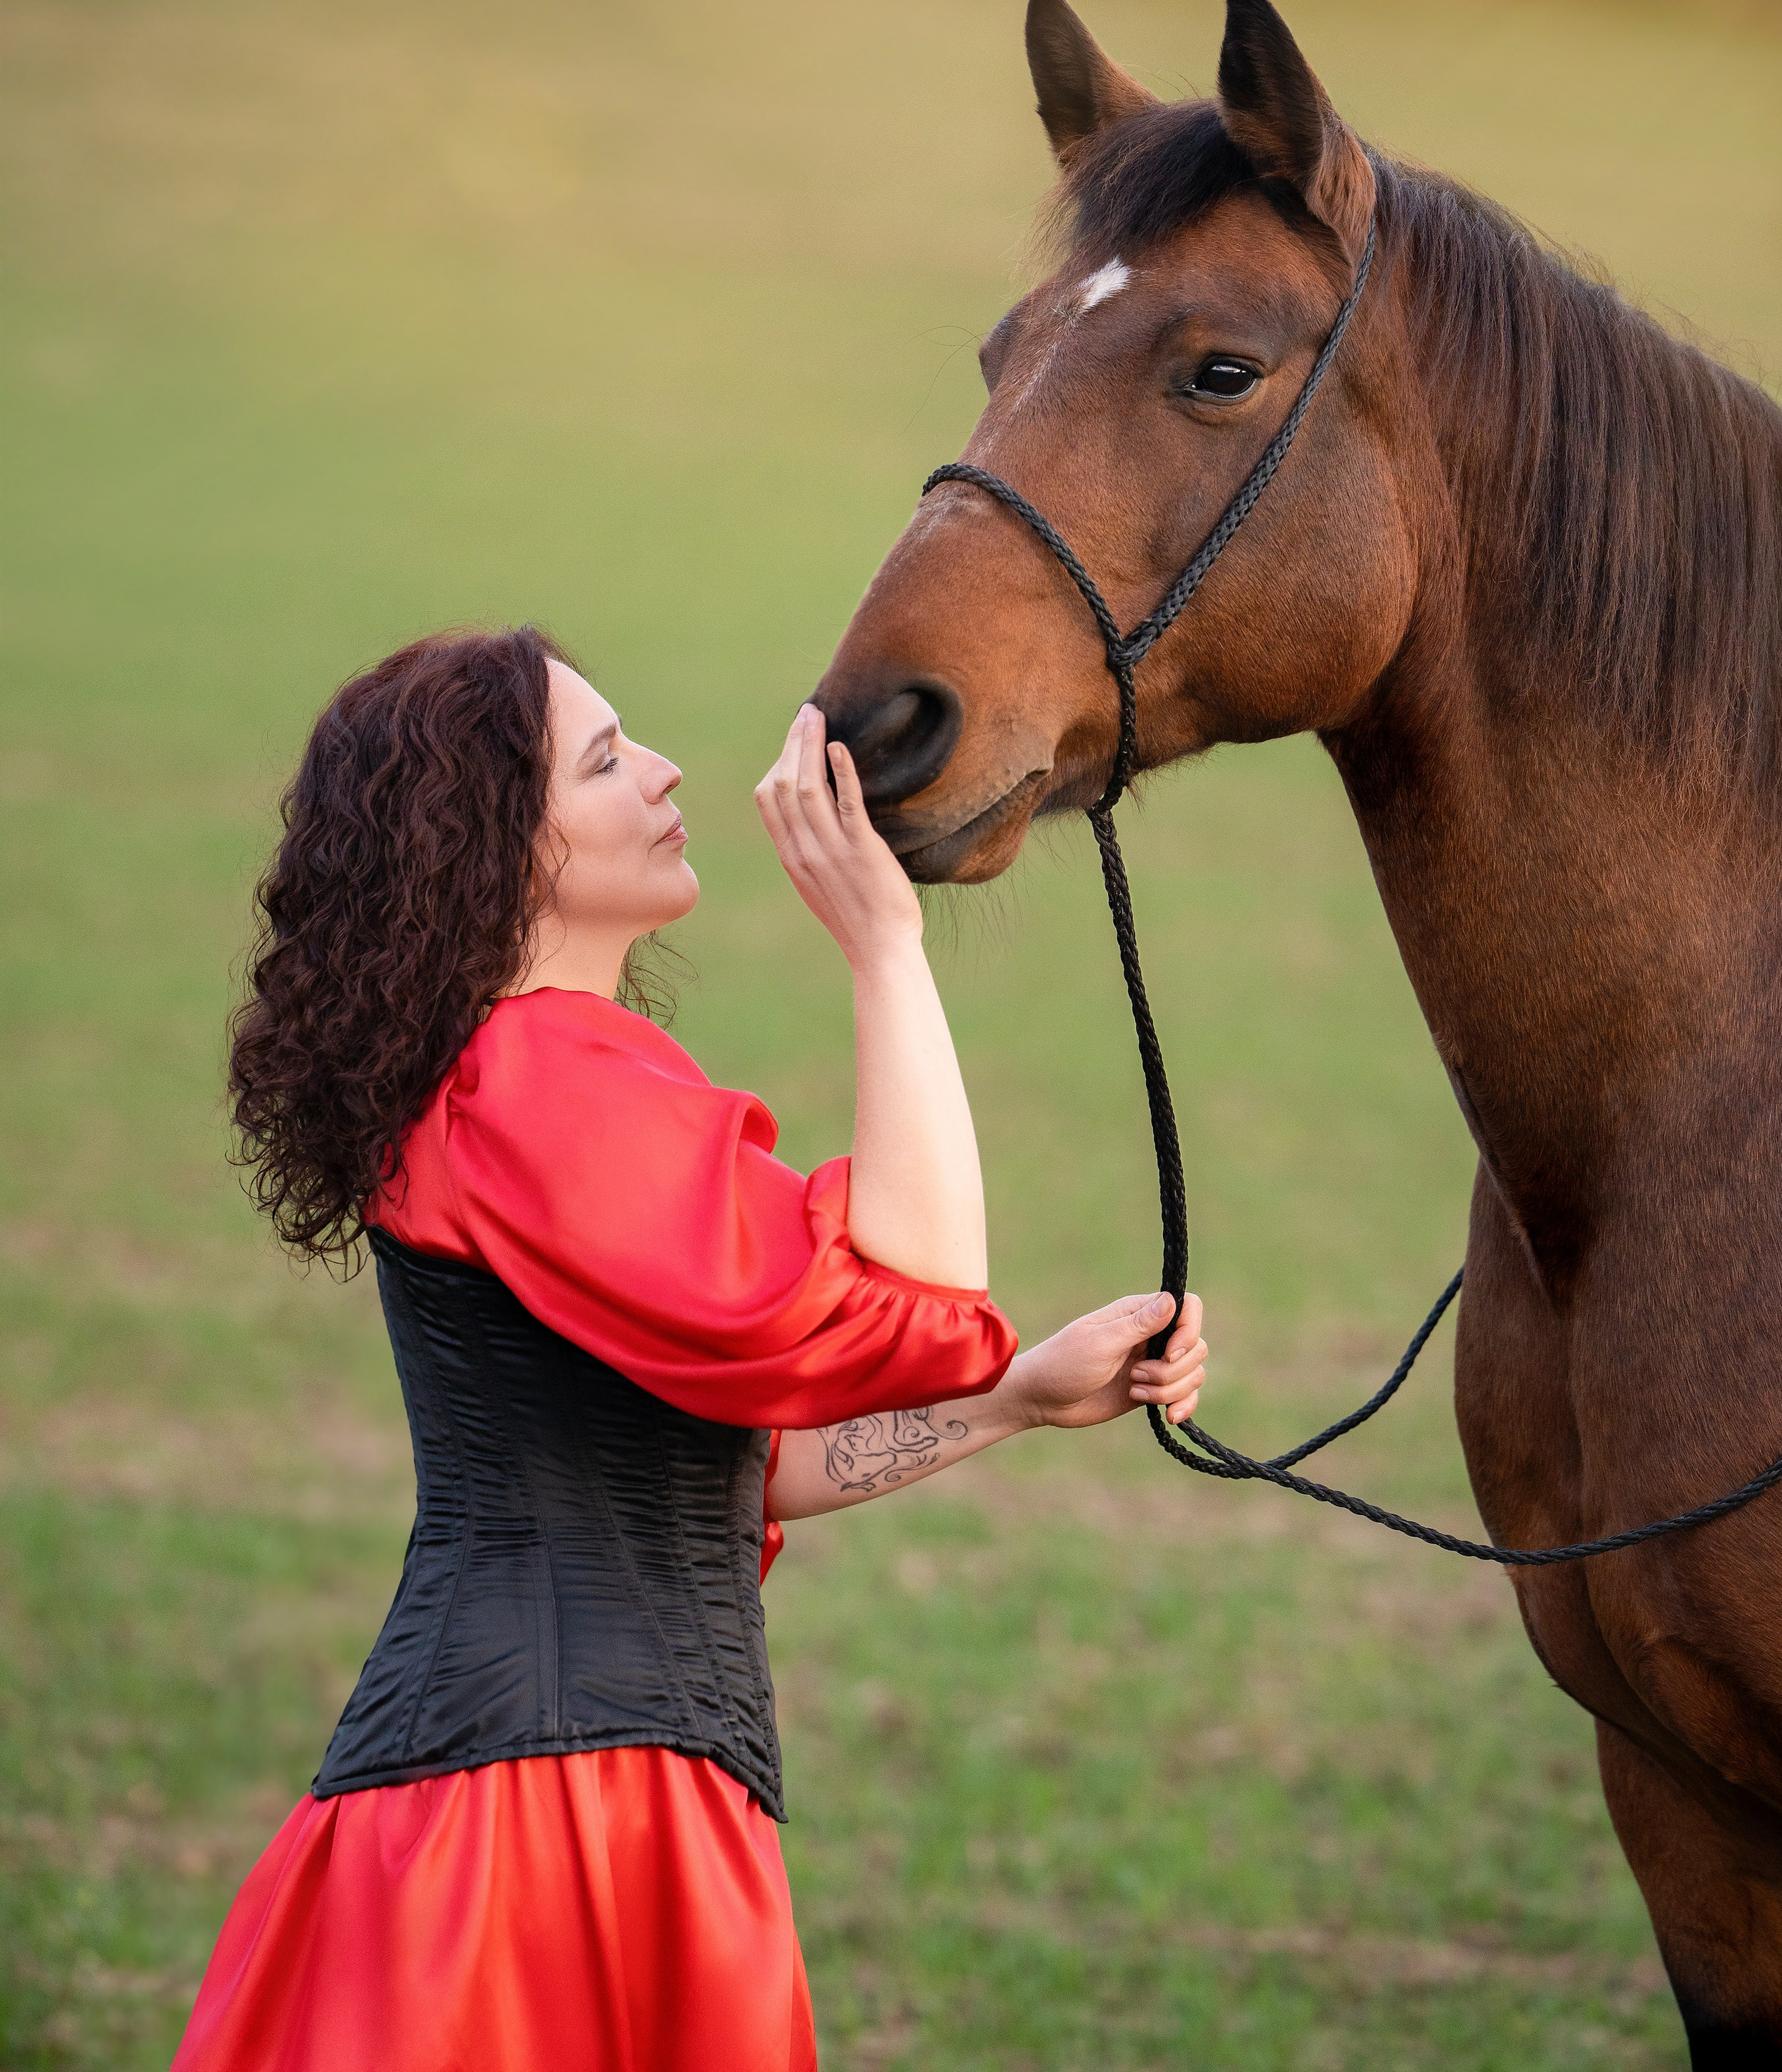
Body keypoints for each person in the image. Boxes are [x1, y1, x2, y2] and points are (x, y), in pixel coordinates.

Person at [173, 625, 1206, 2072]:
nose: (663, 772)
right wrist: (886, 949)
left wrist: (1014, 1405)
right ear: (498, 847)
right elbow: (927, 1287)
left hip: (547, 1793)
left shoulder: (508, 1082)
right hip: (549, 1829)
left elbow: (727, 1466)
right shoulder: (534, 1075)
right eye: (604, 761)